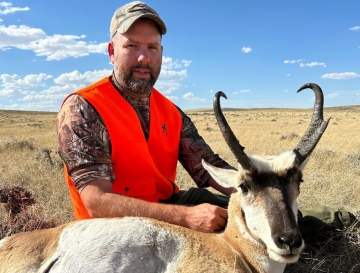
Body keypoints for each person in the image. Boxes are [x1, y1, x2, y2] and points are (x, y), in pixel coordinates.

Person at [56, 1, 356, 236]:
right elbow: (96, 203)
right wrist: (187, 217)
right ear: (112, 51)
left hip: (168, 205)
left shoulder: (170, 111)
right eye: (131, 46)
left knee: (260, 219)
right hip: (110, 228)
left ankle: (335, 218)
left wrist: (263, 192)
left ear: (161, 52)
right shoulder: (84, 107)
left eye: (151, 47)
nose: (143, 58)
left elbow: (207, 169)